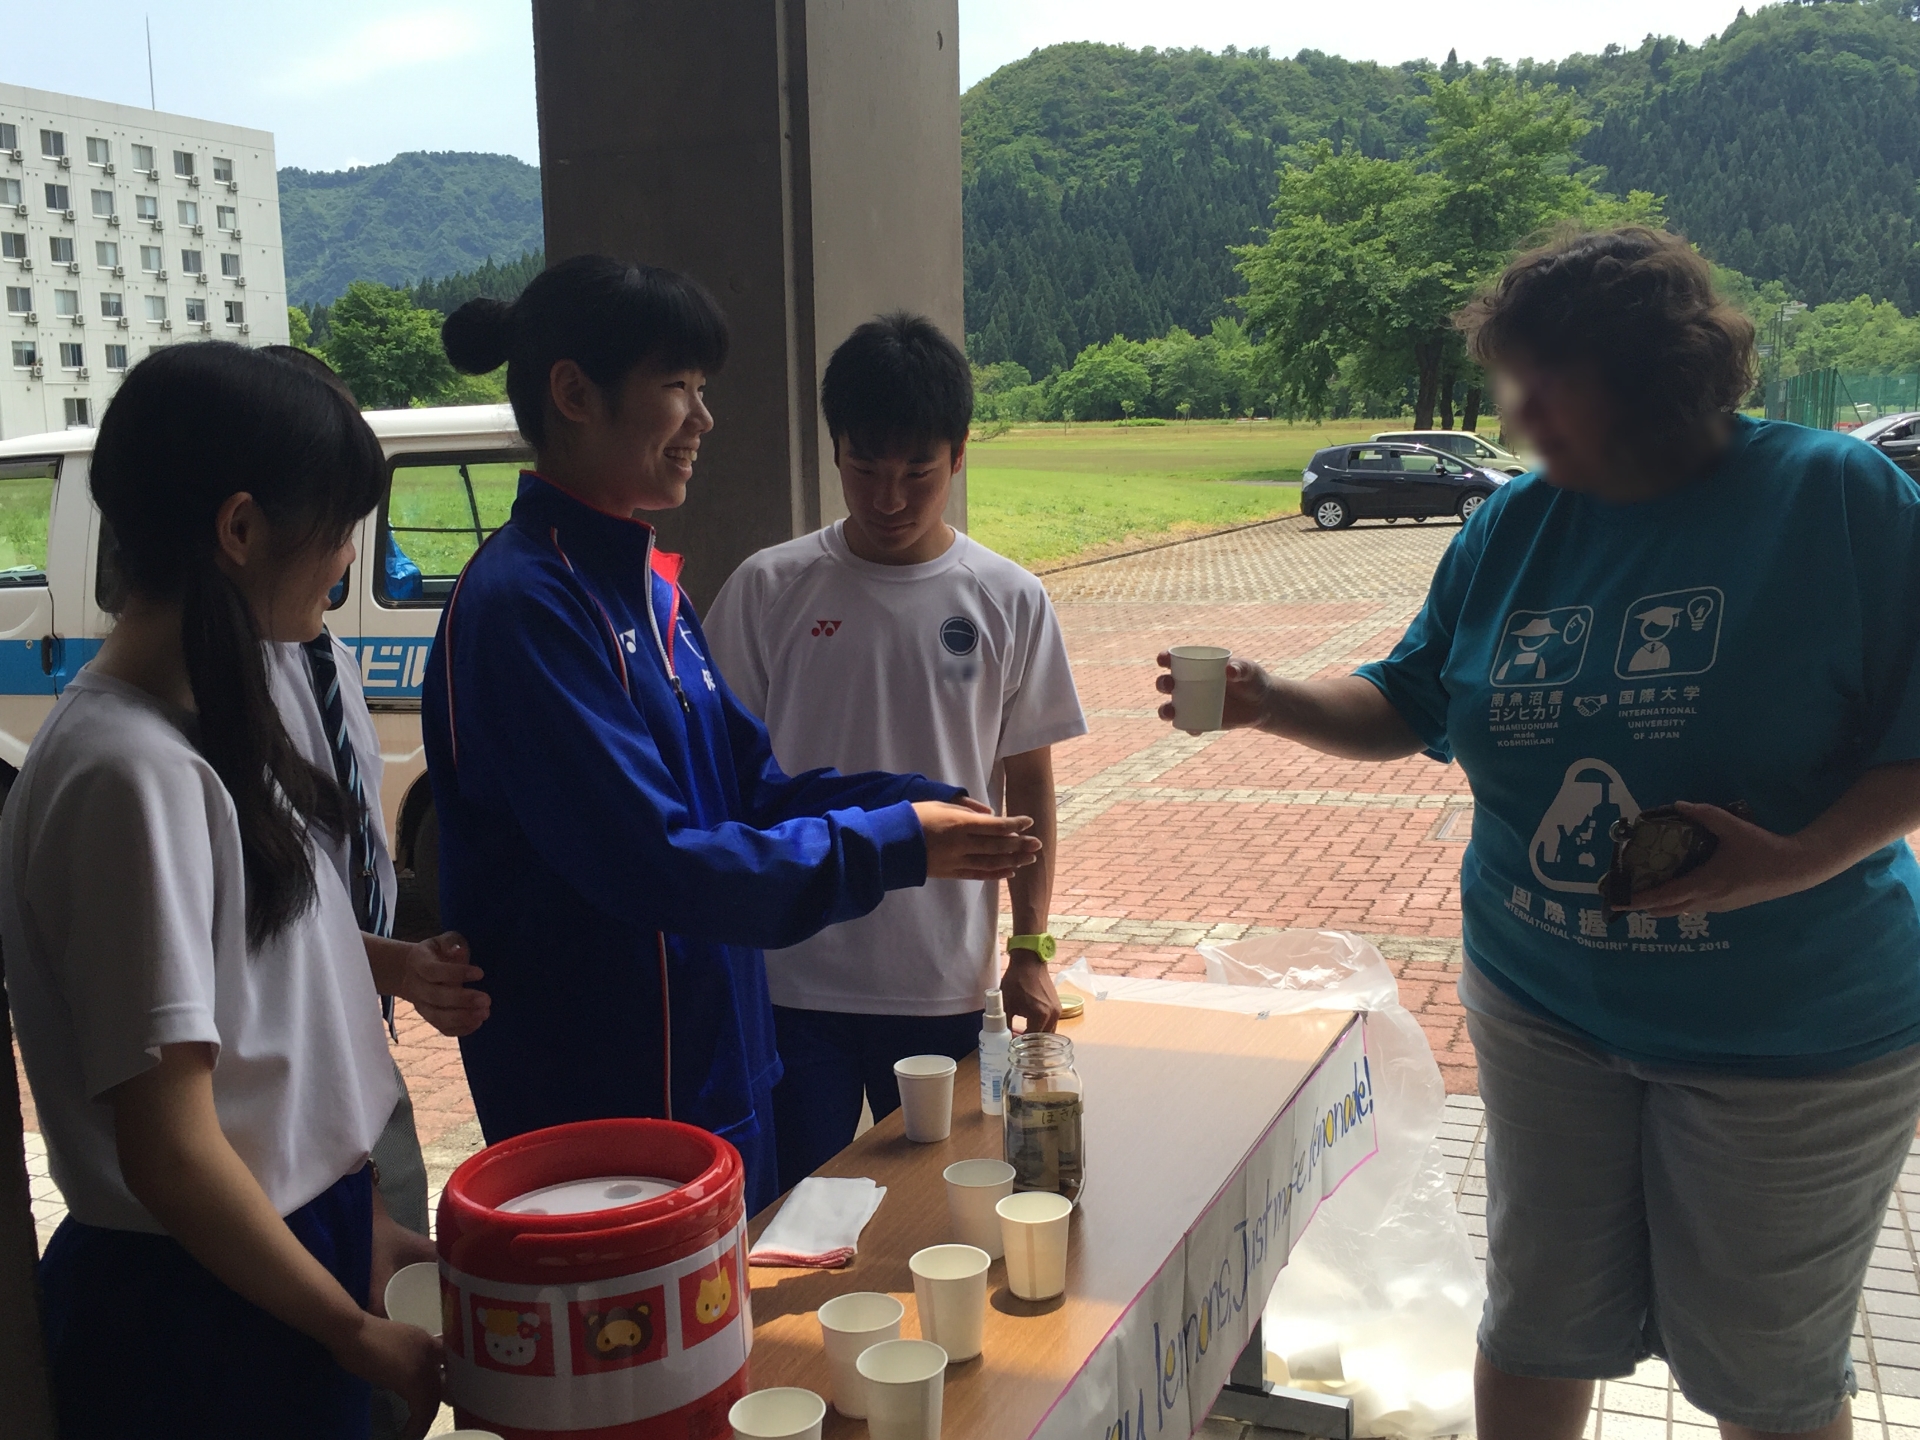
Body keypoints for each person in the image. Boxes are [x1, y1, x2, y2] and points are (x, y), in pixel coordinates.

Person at [1156, 226, 1920, 1440]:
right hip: (1545, 1006)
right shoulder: (1514, 524)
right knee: (1536, 1321)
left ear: (1650, 373)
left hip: (1791, 1030)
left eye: (1542, 385)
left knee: (1766, 1376)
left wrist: (1792, 863)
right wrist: (1273, 700)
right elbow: (1411, 699)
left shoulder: (1835, 496)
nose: (1514, 419)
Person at [424, 256, 1041, 1214]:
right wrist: (900, 842)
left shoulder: (645, 591)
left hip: (712, 1072)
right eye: (679, 387)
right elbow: (657, 862)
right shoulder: (526, 607)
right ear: (574, 394)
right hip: (605, 1108)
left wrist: (915, 801)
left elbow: (750, 789)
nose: (703, 421)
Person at [2, 343, 442, 1437]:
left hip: (277, 1253)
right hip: (202, 1308)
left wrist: (361, 1233)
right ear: (240, 529)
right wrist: (346, 1328)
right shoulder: (127, 774)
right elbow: (172, 1150)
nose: (346, 559)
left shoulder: (212, 728)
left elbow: (265, 1042)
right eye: (338, 527)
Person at [706, 313, 1085, 1188]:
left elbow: (1029, 784)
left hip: (943, 980)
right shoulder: (769, 587)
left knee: (944, 1206)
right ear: (835, 451)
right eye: (865, 467)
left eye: (918, 472)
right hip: (792, 980)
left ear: (958, 456)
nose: (888, 499)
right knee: (793, 1214)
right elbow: (722, 779)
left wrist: (1030, 949)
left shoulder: (1008, 597)